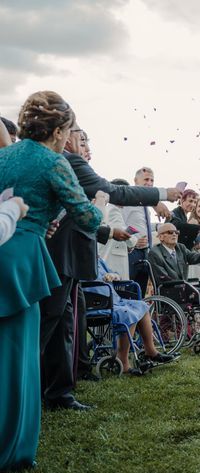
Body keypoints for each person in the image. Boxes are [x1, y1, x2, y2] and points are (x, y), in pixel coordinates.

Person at [41, 122, 180, 409]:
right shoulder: (69, 161)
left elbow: (78, 211)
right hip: (59, 254)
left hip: (70, 257)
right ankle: (30, 391)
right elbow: (112, 192)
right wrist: (162, 194)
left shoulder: (64, 162)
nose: (84, 143)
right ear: (65, 137)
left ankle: (59, 393)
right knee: (48, 326)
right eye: (82, 136)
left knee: (65, 325)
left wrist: (104, 230)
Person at [0, 91, 102, 472]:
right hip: (22, 258)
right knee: (18, 356)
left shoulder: (2, 156)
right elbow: (88, 216)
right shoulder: (54, 161)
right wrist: (101, 205)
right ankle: (11, 449)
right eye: (67, 131)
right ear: (58, 130)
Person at [84, 259, 174, 373]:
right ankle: (123, 361)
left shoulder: (98, 261)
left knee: (142, 306)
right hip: (96, 305)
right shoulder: (78, 263)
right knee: (129, 313)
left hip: (114, 301)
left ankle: (150, 351)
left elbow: (116, 274)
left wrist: (113, 276)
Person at [122, 166, 172, 297]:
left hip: (145, 252)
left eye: (152, 180)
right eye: (146, 180)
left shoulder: (145, 205)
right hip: (132, 252)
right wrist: (132, 241)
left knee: (140, 292)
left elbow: (142, 225)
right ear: (135, 180)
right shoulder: (128, 201)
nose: (149, 183)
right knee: (129, 290)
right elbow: (120, 224)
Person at [98, 179, 138, 279]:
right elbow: (123, 233)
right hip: (113, 262)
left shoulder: (109, 209)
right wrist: (134, 241)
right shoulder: (113, 210)